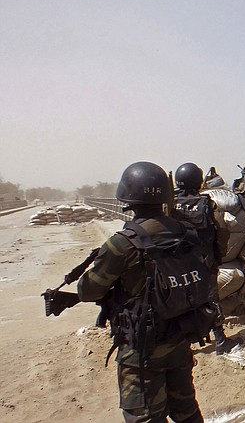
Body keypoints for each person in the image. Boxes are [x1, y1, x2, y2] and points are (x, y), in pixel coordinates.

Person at [77, 161, 204, 423]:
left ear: (128, 197)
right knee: (187, 411)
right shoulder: (187, 234)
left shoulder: (123, 243)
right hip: (180, 337)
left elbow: (87, 290)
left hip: (142, 350)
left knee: (144, 416)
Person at [173, 162, 236, 355]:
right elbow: (222, 231)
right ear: (199, 182)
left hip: (175, 265)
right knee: (210, 299)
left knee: (178, 301)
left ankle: (181, 344)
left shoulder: (169, 205)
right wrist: (219, 256)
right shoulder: (207, 203)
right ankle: (220, 340)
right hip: (203, 262)